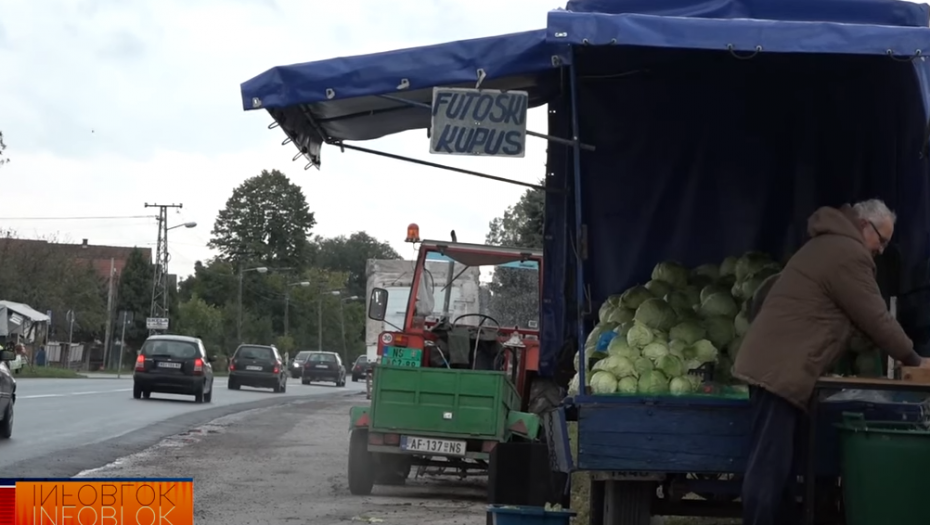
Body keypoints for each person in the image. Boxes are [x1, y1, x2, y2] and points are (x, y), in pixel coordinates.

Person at [733, 199, 930, 525]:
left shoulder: (828, 244)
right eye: (881, 241)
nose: (881, 251)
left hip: (779, 367)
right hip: (779, 370)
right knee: (770, 468)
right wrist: (914, 359)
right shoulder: (847, 253)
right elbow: (876, 318)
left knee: (780, 468)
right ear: (865, 226)